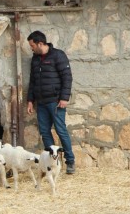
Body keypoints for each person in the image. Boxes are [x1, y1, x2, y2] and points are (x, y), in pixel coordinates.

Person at [26, 31, 75, 174]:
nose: (31, 48)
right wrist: (30, 100)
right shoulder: (35, 59)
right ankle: (53, 162)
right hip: (41, 103)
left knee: (61, 130)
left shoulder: (58, 55)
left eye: (32, 45)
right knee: (45, 132)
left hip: (56, 102)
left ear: (40, 43)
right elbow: (33, 81)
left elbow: (67, 77)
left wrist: (64, 98)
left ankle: (70, 161)